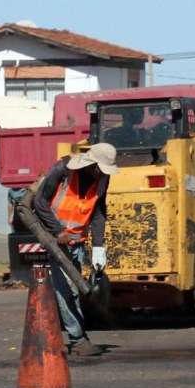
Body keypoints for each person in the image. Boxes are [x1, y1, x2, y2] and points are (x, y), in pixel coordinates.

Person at [34, 143, 118, 356]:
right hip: (55, 240)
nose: (102, 173)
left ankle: (67, 335)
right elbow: (40, 202)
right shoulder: (62, 171)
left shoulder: (102, 179)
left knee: (74, 290)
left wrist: (99, 247)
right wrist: (57, 230)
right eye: (100, 168)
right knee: (66, 289)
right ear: (92, 164)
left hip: (78, 240)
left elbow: (99, 212)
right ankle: (78, 339)